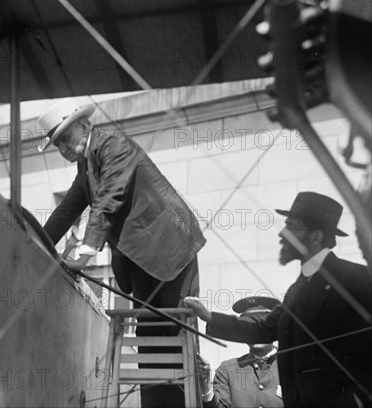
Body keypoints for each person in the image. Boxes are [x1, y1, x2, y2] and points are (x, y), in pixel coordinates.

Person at [37, 98, 206, 407]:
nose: (62, 147)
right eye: (56, 143)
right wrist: (40, 243)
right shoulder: (86, 164)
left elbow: (109, 199)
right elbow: (69, 207)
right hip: (142, 263)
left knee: (175, 337)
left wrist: (83, 254)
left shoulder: (114, 145)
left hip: (172, 253)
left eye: (65, 137)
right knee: (149, 339)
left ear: (85, 126)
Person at [185, 192, 372, 408]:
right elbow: (264, 329)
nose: (283, 233)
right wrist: (209, 316)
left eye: (292, 226)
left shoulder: (357, 278)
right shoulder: (298, 289)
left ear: (316, 237)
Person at [198, 296, 283, 408]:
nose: (256, 334)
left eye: (261, 328)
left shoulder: (292, 366)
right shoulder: (227, 370)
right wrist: (207, 389)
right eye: (250, 329)